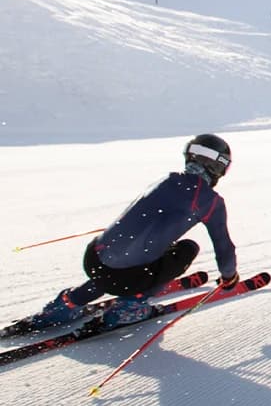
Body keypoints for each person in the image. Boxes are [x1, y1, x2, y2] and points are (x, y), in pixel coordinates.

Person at [29, 134, 239, 329]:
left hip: (94, 259)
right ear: (218, 167)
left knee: (121, 256)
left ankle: (68, 303)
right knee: (187, 248)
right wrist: (229, 277)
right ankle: (130, 306)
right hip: (128, 279)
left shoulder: (166, 180)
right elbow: (224, 247)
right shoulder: (211, 201)